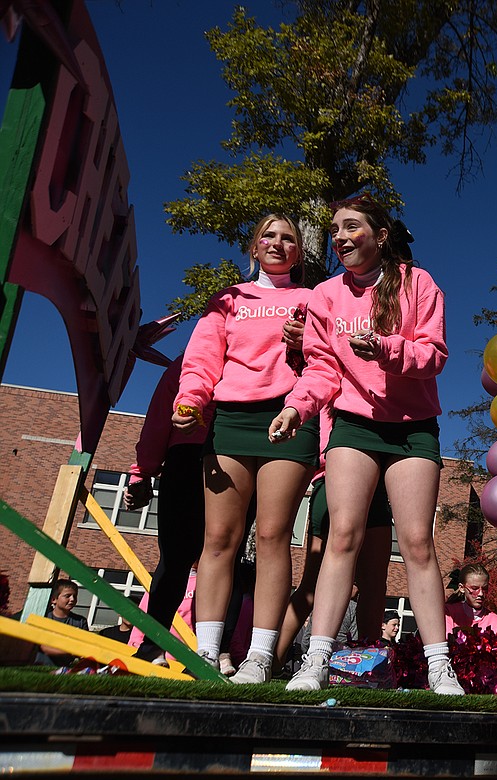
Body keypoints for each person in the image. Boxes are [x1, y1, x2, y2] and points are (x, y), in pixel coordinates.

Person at [269, 195, 462, 694]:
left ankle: (440, 666)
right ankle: (316, 658)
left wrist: (386, 349)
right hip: (353, 423)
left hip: (413, 424)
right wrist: (296, 407)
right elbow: (320, 368)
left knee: (418, 542)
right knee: (343, 536)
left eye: (351, 227)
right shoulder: (326, 296)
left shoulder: (419, 284)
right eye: (334, 230)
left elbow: (434, 354)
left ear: (380, 235)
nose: (340, 237)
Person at [173, 214, 319, 684]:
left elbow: (326, 363)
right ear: (254, 247)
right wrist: (190, 401)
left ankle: (259, 656)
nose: (278, 243)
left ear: (299, 252)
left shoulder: (312, 300)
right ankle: (207, 652)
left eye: (288, 237)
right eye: (268, 236)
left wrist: (309, 345)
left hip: (290, 418)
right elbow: (201, 359)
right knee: (219, 539)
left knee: (275, 534)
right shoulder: (227, 299)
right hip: (232, 419)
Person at [275, 413, 395, 667]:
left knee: (372, 584)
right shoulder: (335, 390)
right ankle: (271, 659)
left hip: (375, 485)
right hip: (335, 479)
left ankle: (366, 667)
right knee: (313, 584)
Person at [123, 354, 217, 667]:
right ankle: (219, 649)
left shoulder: (188, 360)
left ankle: (154, 645)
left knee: (178, 559)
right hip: (225, 457)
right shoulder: (192, 361)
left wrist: (144, 471)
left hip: (192, 455)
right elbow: (161, 417)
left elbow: (157, 421)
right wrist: (143, 471)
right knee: (220, 556)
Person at [35, 579, 89, 666]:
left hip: (66, 667)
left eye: (75, 596)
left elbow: (84, 646)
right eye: (67, 596)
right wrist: (71, 651)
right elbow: (43, 647)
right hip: (41, 664)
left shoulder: (80, 621)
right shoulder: (44, 618)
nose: (72, 599)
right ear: (54, 599)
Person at [445, 564, 497, 634]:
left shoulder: (496, 621)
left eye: (485, 588)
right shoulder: (449, 613)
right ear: (462, 588)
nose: (481, 594)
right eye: (474, 588)